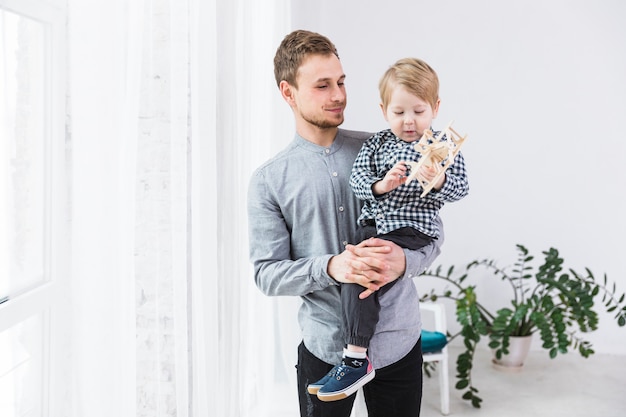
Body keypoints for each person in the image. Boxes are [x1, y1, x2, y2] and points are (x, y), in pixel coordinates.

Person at [248, 30, 443, 417]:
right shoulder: (269, 180)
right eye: (322, 85)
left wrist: (403, 262)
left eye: (341, 82)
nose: (338, 95)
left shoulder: (385, 151)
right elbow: (267, 274)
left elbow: (431, 234)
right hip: (324, 349)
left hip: (399, 343)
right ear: (288, 93)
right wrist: (332, 267)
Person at [313, 57, 469, 402]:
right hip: (375, 227)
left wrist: (439, 179)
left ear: (435, 108)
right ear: (384, 110)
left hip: (413, 228)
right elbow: (357, 182)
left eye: (418, 111)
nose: (409, 121)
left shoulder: (441, 147)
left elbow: (462, 188)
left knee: (363, 268)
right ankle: (354, 355)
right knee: (356, 271)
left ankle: (355, 356)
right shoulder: (377, 144)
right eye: (399, 113)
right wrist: (382, 185)